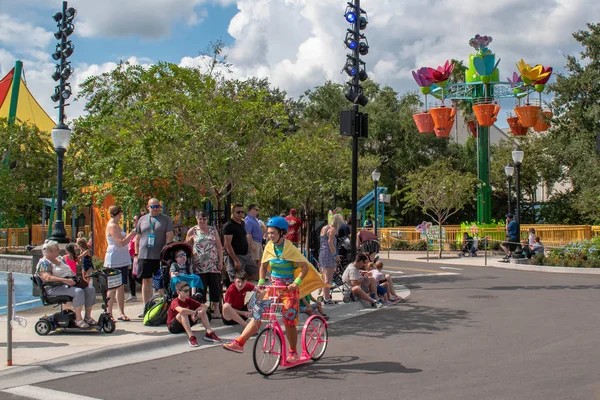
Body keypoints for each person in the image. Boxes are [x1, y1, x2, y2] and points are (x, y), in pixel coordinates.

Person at [223, 216, 325, 357]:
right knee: (258, 314)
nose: (269, 236)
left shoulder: (291, 249)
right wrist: (260, 282)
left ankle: (293, 352)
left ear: (282, 233)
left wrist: (296, 283)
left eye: (272, 233)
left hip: (289, 289)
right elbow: (263, 266)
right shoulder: (269, 247)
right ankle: (239, 343)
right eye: (268, 233)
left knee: (289, 320)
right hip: (273, 287)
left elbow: (304, 268)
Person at [36, 241, 96, 327]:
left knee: (90, 289)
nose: (59, 250)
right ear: (50, 251)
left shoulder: (60, 259)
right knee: (78, 292)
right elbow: (47, 278)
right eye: (57, 249)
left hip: (68, 284)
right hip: (54, 288)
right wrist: (64, 280)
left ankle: (88, 317)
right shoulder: (44, 263)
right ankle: (78, 320)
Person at [134, 198, 174, 310]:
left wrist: (166, 255)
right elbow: (137, 238)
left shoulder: (166, 220)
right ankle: (146, 307)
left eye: (157, 206)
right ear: (148, 207)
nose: (156, 209)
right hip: (144, 255)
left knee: (159, 282)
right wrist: (136, 254)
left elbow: (169, 237)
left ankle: (161, 307)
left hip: (159, 257)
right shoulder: (142, 219)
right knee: (146, 281)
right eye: (153, 207)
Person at [187, 210, 224, 318]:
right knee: (201, 288)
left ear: (207, 219)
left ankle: (216, 310)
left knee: (215, 287)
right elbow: (187, 246)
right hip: (199, 265)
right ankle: (202, 310)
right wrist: (189, 241)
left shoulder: (213, 230)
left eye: (204, 219)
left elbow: (219, 246)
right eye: (200, 219)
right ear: (196, 219)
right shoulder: (193, 230)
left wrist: (220, 260)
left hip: (213, 263)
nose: (202, 221)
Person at [105, 205, 137, 321]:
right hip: (114, 259)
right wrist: (132, 233)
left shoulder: (116, 225)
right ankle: (109, 313)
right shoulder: (112, 225)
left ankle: (121, 312)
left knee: (121, 286)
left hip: (122, 258)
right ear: (118, 213)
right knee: (113, 286)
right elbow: (121, 242)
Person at [167, 281, 221, 347]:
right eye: (185, 291)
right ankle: (191, 337)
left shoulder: (188, 300)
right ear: (178, 292)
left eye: (188, 290)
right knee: (183, 313)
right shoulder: (175, 301)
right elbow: (181, 310)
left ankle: (209, 332)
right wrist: (194, 313)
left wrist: (200, 312)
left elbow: (204, 306)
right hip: (174, 327)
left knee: (201, 309)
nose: (187, 293)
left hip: (186, 323)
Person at [223, 204, 258, 281]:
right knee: (237, 280)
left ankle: (243, 285)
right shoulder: (229, 225)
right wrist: (236, 260)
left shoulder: (242, 223)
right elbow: (227, 244)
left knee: (255, 273)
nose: (241, 214)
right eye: (238, 212)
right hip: (235, 256)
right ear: (233, 212)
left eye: (242, 212)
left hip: (246, 255)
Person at [319, 214, 344, 305]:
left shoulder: (324, 228)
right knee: (328, 278)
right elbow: (330, 242)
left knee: (324, 276)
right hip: (329, 253)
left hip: (322, 252)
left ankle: (324, 295)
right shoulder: (332, 229)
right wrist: (335, 255)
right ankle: (326, 298)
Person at [126, 213, 142, 302]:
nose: (133, 222)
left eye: (134, 220)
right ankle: (133, 294)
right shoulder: (133, 232)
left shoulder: (141, 232)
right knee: (130, 276)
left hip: (137, 257)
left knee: (135, 276)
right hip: (130, 257)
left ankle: (148, 285)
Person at [244, 204, 263, 269]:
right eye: (256, 209)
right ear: (251, 210)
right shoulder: (248, 220)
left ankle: (258, 276)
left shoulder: (254, 219)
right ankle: (254, 276)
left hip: (258, 242)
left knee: (260, 260)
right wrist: (252, 243)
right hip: (254, 242)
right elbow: (248, 233)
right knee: (254, 261)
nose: (257, 211)